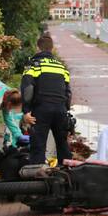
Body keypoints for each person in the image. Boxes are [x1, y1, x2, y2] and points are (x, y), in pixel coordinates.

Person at [21, 34, 72, 165]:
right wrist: (65, 109)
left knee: (38, 146)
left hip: (41, 110)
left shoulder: (33, 65)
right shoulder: (61, 67)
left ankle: (37, 178)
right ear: (51, 49)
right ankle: (66, 175)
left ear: (38, 48)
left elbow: (28, 89)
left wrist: (26, 111)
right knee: (62, 145)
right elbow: (68, 93)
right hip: (60, 110)